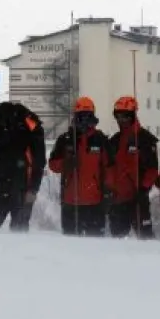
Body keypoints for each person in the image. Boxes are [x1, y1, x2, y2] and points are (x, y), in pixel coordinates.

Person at [0, 101, 46, 232]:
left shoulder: (29, 126)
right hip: (7, 183)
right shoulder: (4, 124)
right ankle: (14, 251)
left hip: (18, 185)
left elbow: (39, 160)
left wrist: (33, 189)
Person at [49, 97, 110, 236]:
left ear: (92, 117)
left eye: (87, 116)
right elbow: (53, 165)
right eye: (81, 116)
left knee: (95, 247)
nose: (84, 120)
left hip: (95, 203)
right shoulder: (65, 139)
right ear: (75, 117)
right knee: (70, 249)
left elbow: (110, 168)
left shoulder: (101, 140)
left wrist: (108, 194)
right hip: (70, 203)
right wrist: (66, 163)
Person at [105, 95, 159, 239]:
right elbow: (108, 168)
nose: (122, 121)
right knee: (117, 240)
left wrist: (143, 190)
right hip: (117, 201)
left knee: (146, 239)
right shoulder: (114, 141)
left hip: (138, 199)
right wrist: (109, 189)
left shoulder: (145, 139)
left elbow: (152, 170)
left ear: (133, 116)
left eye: (125, 117)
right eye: (118, 117)